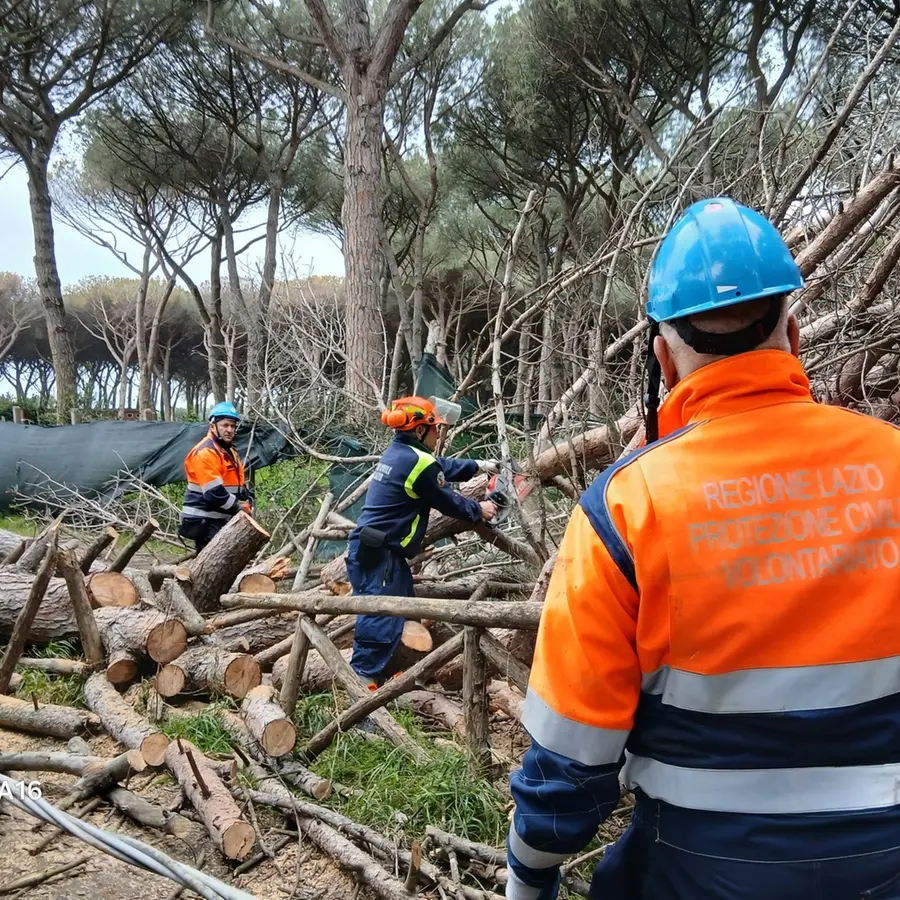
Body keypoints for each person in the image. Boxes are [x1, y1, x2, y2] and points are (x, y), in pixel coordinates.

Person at [505, 197, 900, 900]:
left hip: (697, 870)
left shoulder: (625, 510)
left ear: (663, 355)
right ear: (796, 332)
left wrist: (529, 875)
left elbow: (569, 767)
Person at [348, 396, 499, 687]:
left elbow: (441, 465)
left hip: (377, 550)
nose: (438, 434)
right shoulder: (417, 463)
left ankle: (388, 681)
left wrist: (482, 465)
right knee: (380, 620)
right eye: (435, 429)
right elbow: (447, 500)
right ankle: (359, 691)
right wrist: (478, 509)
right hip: (381, 555)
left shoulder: (400, 453)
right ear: (420, 431)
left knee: (404, 613)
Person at [179, 402, 254, 553]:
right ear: (213, 426)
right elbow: (214, 492)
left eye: (232, 426)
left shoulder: (227, 451)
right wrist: (238, 507)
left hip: (219, 518)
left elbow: (233, 482)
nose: (229, 430)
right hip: (205, 521)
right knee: (212, 566)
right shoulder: (206, 452)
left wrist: (247, 495)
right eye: (225, 425)